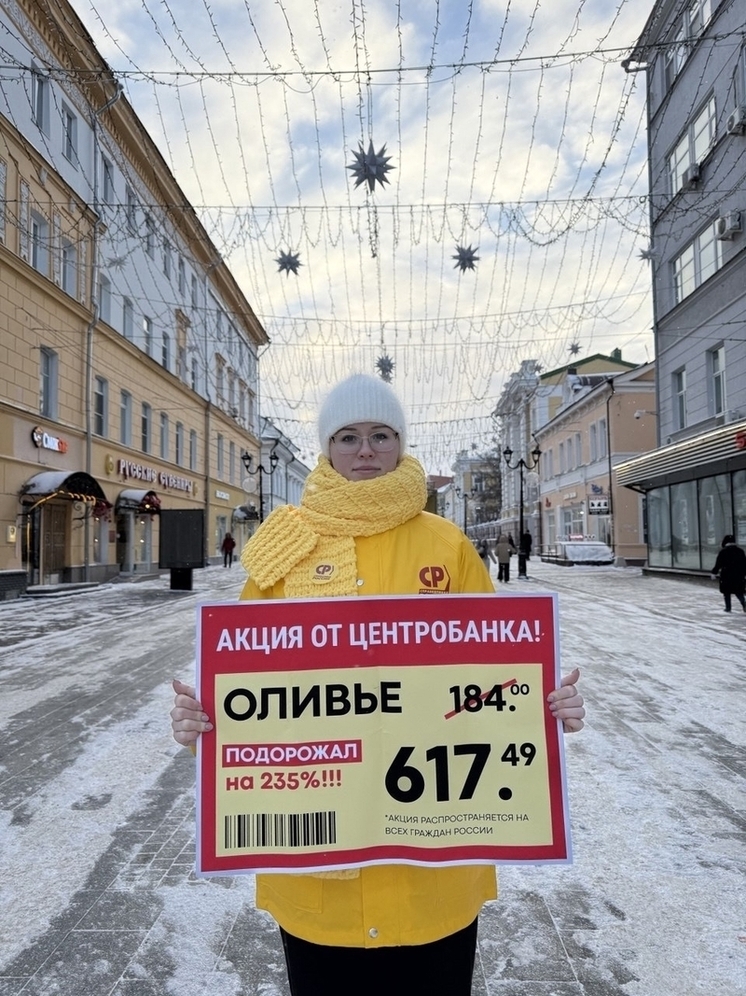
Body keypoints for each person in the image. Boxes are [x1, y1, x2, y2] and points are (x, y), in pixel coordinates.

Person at [171, 373, 585, 996]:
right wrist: (203, 717)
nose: (365, 450)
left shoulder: (445, 544)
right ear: (325, 449)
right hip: (316, 871)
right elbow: (247, 684)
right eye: (348, 436)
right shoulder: (281, 549)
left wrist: (543, 705)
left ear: (401, 443)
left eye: (381, 435)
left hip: (433, 868)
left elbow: (496, 672)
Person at [711, 534, 746, 613]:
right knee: (739, 591)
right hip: (738, 575)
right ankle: (744, 603)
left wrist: (714, 572)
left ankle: (728, 607)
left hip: (726, 575)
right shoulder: (740, 551)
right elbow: (744, 563)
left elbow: (718, 564)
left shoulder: (723, 552)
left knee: (726, 592)